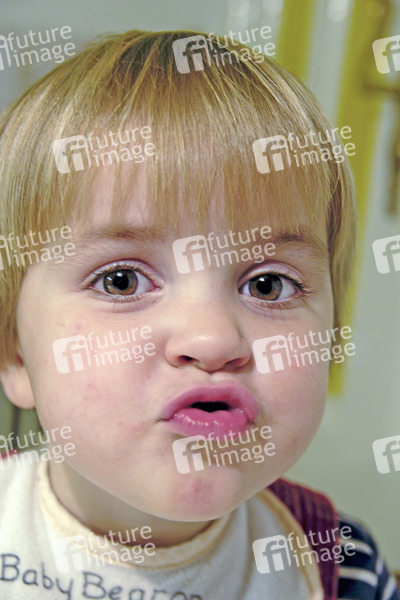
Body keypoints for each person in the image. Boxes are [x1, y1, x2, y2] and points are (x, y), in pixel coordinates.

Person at [0, 29, 397, 600]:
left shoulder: (342, 569)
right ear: (15, 353)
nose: (213, 339)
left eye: (267, 285)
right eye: (121, 280)